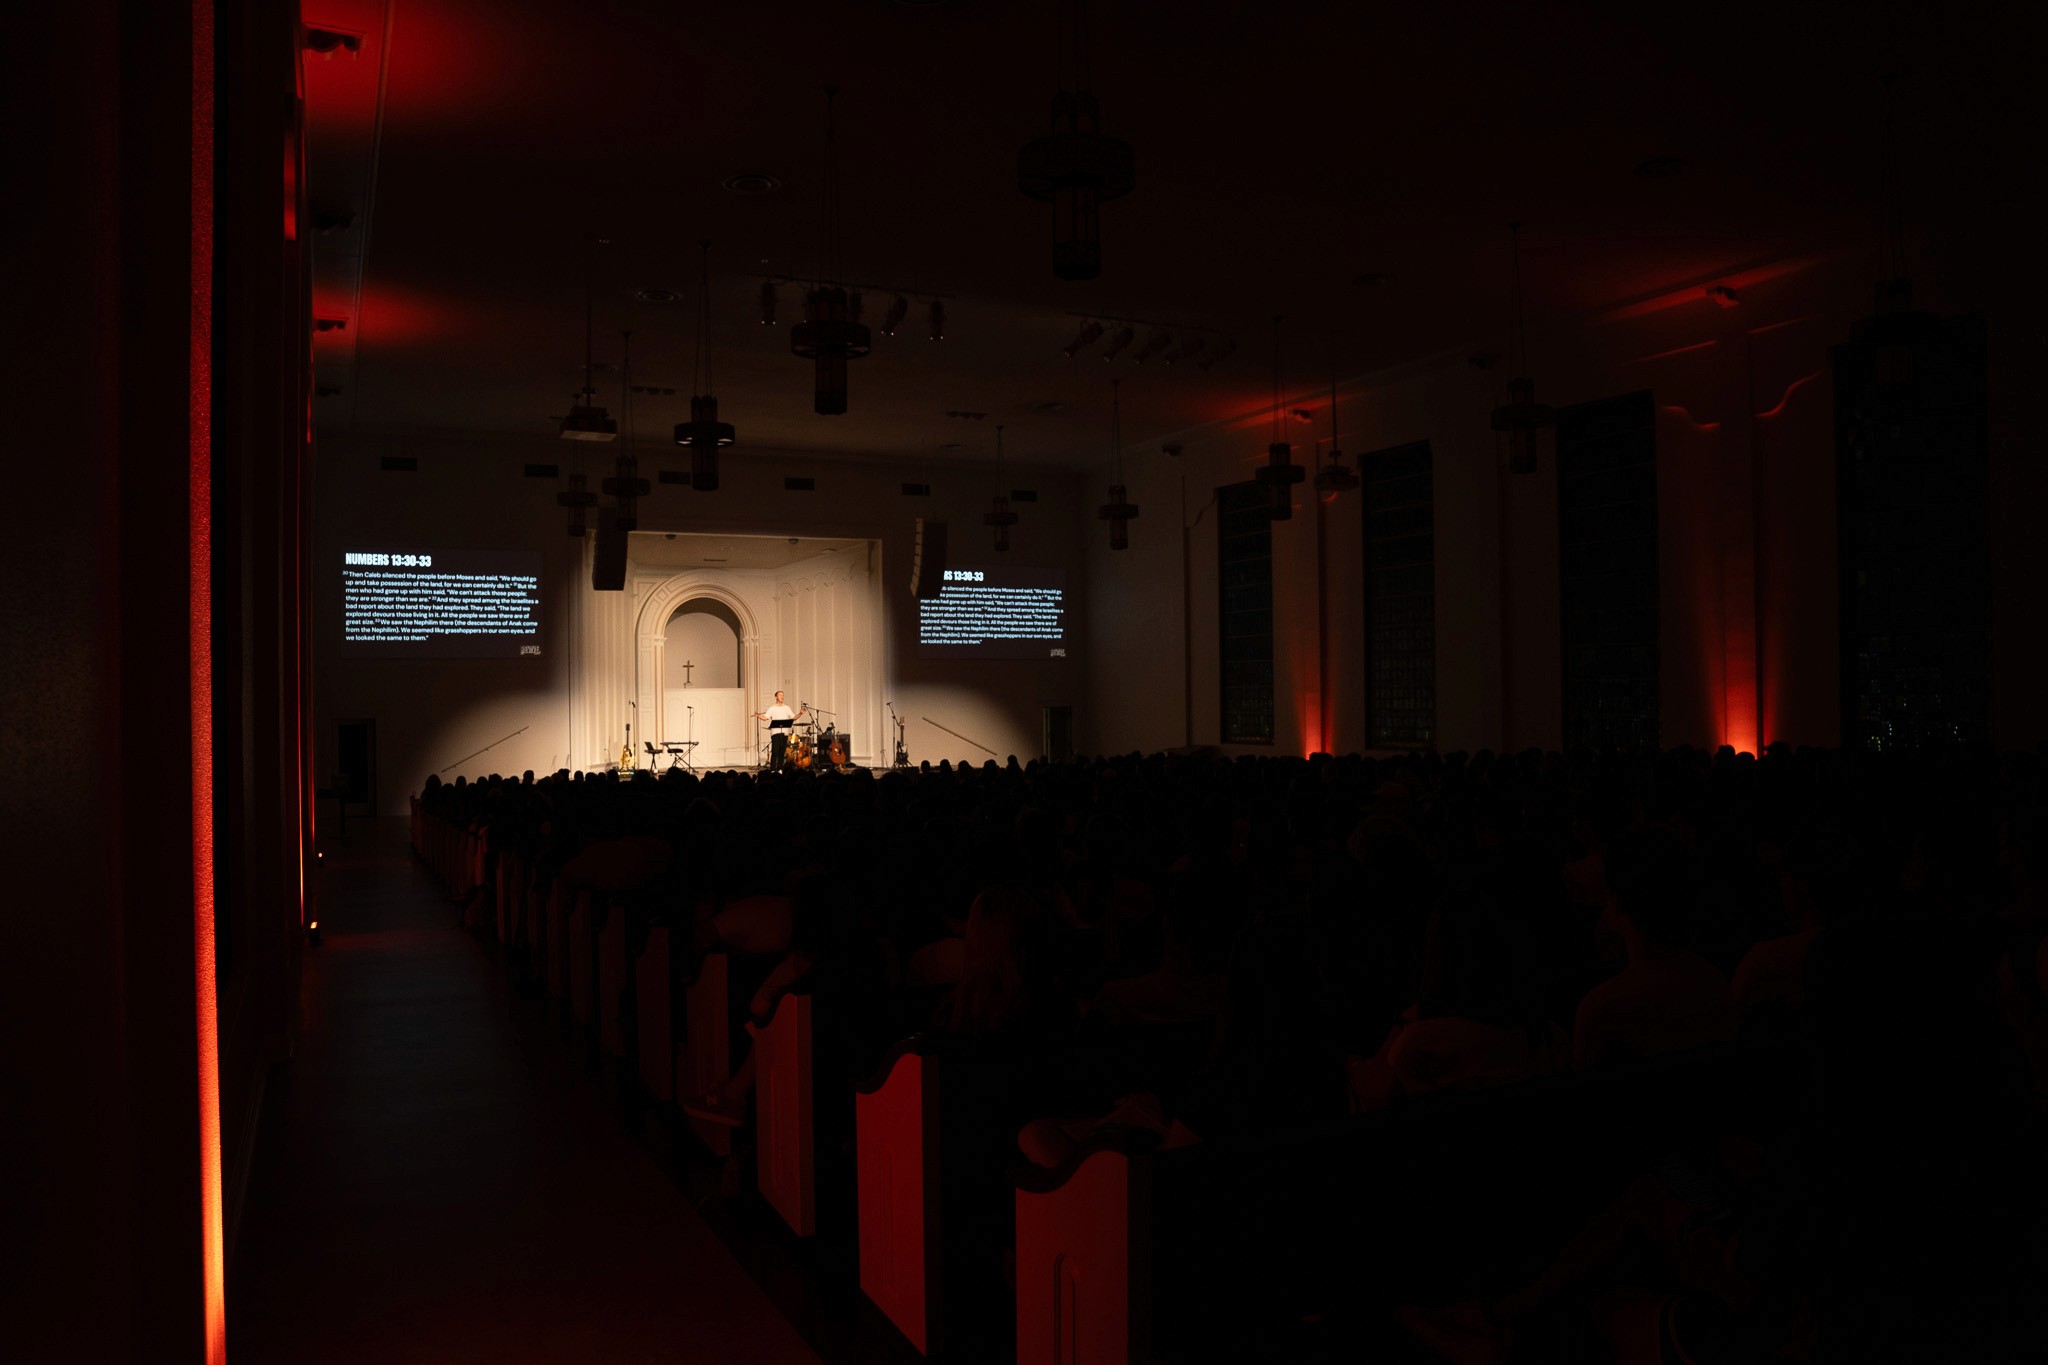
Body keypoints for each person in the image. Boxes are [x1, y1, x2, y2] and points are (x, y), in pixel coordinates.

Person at [752, 690, 806, 770]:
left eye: (783, 695)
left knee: (782, 753)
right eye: (780, 695)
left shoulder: (787, 708)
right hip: (775, 733)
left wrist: (800, 713)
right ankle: (773, 770)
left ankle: (780, 769)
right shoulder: (772, 708)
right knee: (775, 752)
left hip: (784, 733)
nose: (782, 696)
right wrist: (759, 716)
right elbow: (765, 717)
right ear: (776, 697)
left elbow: (794, 717)